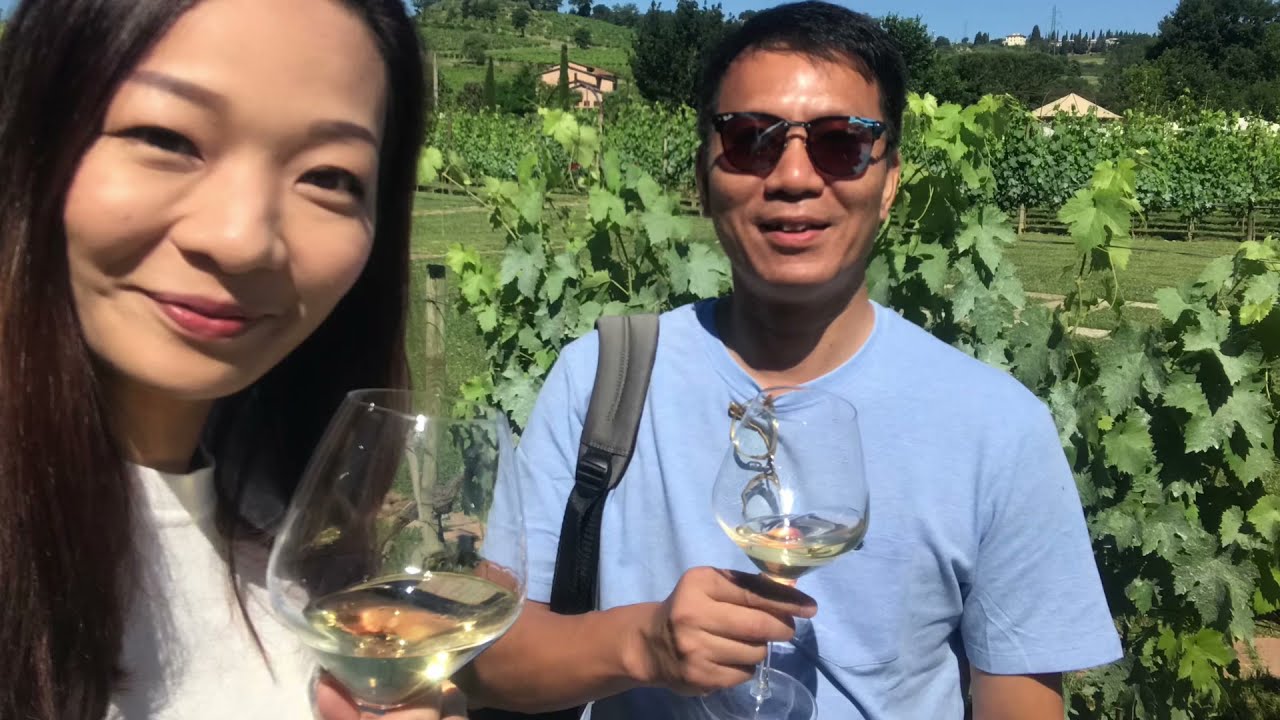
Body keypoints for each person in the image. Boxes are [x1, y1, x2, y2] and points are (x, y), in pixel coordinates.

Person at [469, 3, 1123, 718]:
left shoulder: (998, 430)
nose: (793, 176)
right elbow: (488, 662)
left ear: (890, 181)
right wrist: (642, 645)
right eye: (751, 139)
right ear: (702, 176)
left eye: (842, 143)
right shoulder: (602, 379)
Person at [0, 1, 462, 719]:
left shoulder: (291, 528)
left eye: (329, 177)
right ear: (35, 132)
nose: (243, 239)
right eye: (167, 138)